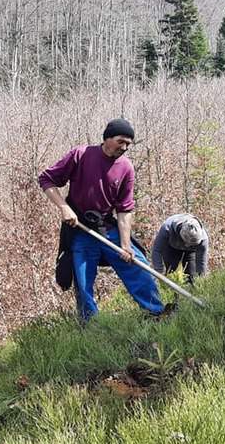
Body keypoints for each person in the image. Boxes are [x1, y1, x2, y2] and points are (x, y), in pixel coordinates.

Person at [38, 118, 169, 322]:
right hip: (79, 229)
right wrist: (64, 208)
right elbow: (46, 179)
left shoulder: (126, 167)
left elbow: (125, 209)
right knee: (82, 280)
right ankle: (91, 326)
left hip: (107, 227)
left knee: (138, 264)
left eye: (128, 144)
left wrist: (126, 245)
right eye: (121, 141)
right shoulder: (81, 155)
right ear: (107, 138)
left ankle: (156, 312)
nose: (124, 147)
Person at [150, 214, 208, 284]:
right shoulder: (167, 228)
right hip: (171, 247)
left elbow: (201, 263)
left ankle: (191, 292)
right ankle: (172, 294)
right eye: (187, 243)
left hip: (191, 252)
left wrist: (201, 281)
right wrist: (159, 272)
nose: (187, 246)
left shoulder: (203, 239)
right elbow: (157, 250)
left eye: (190, 244)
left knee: (193, 278)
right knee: (171, 276)